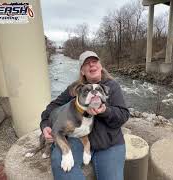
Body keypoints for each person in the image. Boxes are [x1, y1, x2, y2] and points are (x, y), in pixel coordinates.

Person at [40, 51, 130, 180]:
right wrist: (44, 125)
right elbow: (52, 108)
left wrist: (105, 111)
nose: (92, 65)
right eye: (87, 64)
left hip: (109, 143)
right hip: (78, 140)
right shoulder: (76, 88)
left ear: (100, 65)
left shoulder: (112, 86)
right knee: (61, 165)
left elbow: (124, 115)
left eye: (95, 62)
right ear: (82, 71)